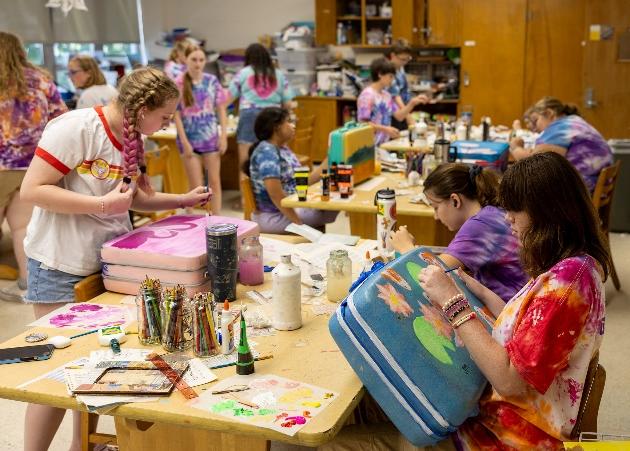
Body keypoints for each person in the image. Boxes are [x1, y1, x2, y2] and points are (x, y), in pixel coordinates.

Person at [323, 152, 609, 450]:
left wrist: (453, 302)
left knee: (336, 441)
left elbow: (509, 381)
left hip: (500, 436)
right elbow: (526, 332)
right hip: (494, 411)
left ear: (548, 212)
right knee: (369, 398)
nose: (508, 218)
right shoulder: (575, 268)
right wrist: (482, 294)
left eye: (516, 210)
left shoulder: (566, 286)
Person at [19, 66, 211, 451]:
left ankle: (81, 444)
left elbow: (133, 198)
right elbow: (32, 190)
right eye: (165, 116)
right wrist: (103, 204)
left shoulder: (132, 138)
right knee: (57, 370)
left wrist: (181, 200)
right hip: (60, 264)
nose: (167, 124)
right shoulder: (74, 128)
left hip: (104, 263)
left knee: (90, 366)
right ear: (142, 108)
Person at [391, 163, 528, 302]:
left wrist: (406, 249)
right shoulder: (490, 213)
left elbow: (431, 276)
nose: (435, 216)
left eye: (436, 207)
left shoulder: (479, 226)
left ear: (455, 200)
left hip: (511, 314)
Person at [0, 31, 67, 302]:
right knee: (23, 228)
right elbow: (61, 118)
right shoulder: (41, 81)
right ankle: (27, 282)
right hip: (34, 166)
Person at [245, 107, 337, 233]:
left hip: (289, 208)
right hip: (275, 216)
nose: (293, 125)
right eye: (288, 121)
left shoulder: (282, 148)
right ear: (276, 127)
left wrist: (333, 155)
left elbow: (302, 183)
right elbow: (275, 194)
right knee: (332, 205)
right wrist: (298, 224)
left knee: (335, 199)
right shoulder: (267, 152)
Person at [510, 96, 613, 192]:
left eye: (536, 120)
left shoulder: (561, 128)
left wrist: (515, 148)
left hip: (580, 191)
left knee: (516, 186)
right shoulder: (573, 121)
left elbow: (533, 165)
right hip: (593, 186)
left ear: (549, 113)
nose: (535, 127)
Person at [227, 43, 294, 180]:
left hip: (249, 116)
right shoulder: (279, 75)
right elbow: (288, 103)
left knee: (245, 162)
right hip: (273, 118)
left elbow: (227, 98)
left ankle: (246, 200)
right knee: (275, 158)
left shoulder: (243, 73)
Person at [174, 45, 228, 214]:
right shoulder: (179, 83)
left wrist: (223, 135)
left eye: (201, 60)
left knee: (214, 182)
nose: (198, 64)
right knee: (196, 185)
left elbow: (221, 109)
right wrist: (184, 141)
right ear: (185, 60)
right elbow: (176, 114)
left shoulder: (212, 81)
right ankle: (190, 218)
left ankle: (217, 218)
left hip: (210, 138)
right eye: (194, 60)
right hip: (189, 140)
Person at [357, 57, 428, 146]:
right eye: (390, 76)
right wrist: (386, 129)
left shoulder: (387, 95)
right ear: (380, 74)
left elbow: (399, 116)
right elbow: (362, 124)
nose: (393, 80)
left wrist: (412, 103)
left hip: (384, 146)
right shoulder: (367, 95)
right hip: (368, 147)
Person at [386, 38, 415, 130]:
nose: (405, 62)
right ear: (393, 56)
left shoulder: (400, 67)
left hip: (404, 111)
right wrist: (409, 118)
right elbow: (396, 97)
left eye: (407, 59)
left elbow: (404, 90)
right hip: (394, 115)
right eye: (402, 59)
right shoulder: (388, 71)